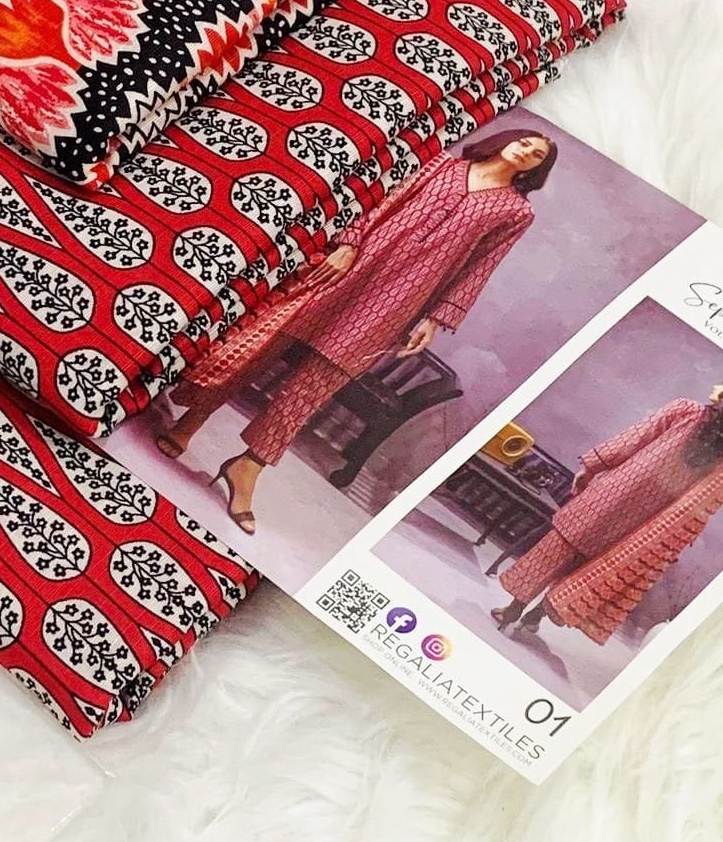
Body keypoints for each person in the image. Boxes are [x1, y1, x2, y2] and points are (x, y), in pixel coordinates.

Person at [156, 130, 556, 533]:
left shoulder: (516, 213)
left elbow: (480, 267)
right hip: (357, 263)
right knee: (268, 339)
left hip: (400, 296)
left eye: (537, 155)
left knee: (316, 384)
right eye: (525, 143)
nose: (526, 153)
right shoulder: (442, 165)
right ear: (508, 140)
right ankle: (194, 418)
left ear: (537, 168)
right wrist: (348, 243)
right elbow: (386, 200)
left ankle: (249, 466)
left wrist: (435, 319)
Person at [491, 384, 723, 641]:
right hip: (644, 524)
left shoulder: (685, 410)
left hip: (612, 495)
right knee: (587, 572)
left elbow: (634, 438)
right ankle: (535, 617)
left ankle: (513, 609)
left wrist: (591, 467)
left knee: (556, 550)